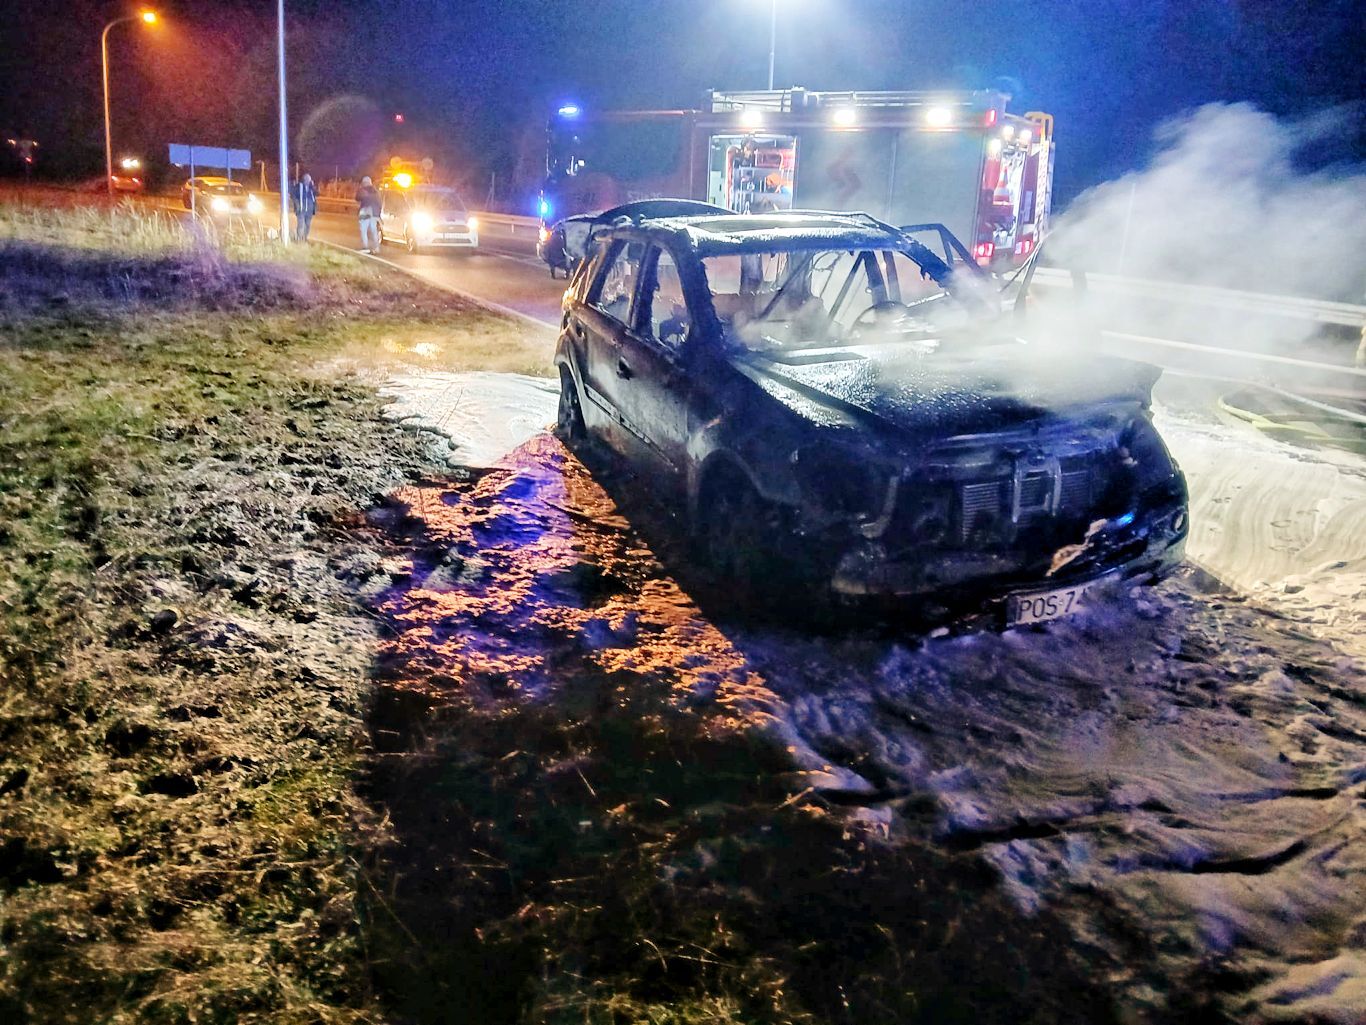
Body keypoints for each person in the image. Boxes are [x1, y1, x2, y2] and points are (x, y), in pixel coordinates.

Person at [355, 175, 381, 253]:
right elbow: (379, 203)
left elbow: (357, 198)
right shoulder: (376, 192)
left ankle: (365, 247)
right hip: (374, 213)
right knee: (374, 230)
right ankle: (376, 248)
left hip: (365, 211)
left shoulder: (362, 190)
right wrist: (378, 214)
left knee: (363, 229)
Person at [291, 173, 317, 242]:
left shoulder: (311, 188)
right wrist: (297, 204)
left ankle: (305, 238)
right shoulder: (299, 186)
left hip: (309, 210)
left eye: (309, 180)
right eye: (307, 180)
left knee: (307, 225)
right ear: (304, 180)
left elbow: (317, 193)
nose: (308, 181)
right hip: (301, 210)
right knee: (301, 225)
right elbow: (293, 195)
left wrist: (313, 186)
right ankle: (299, 239)